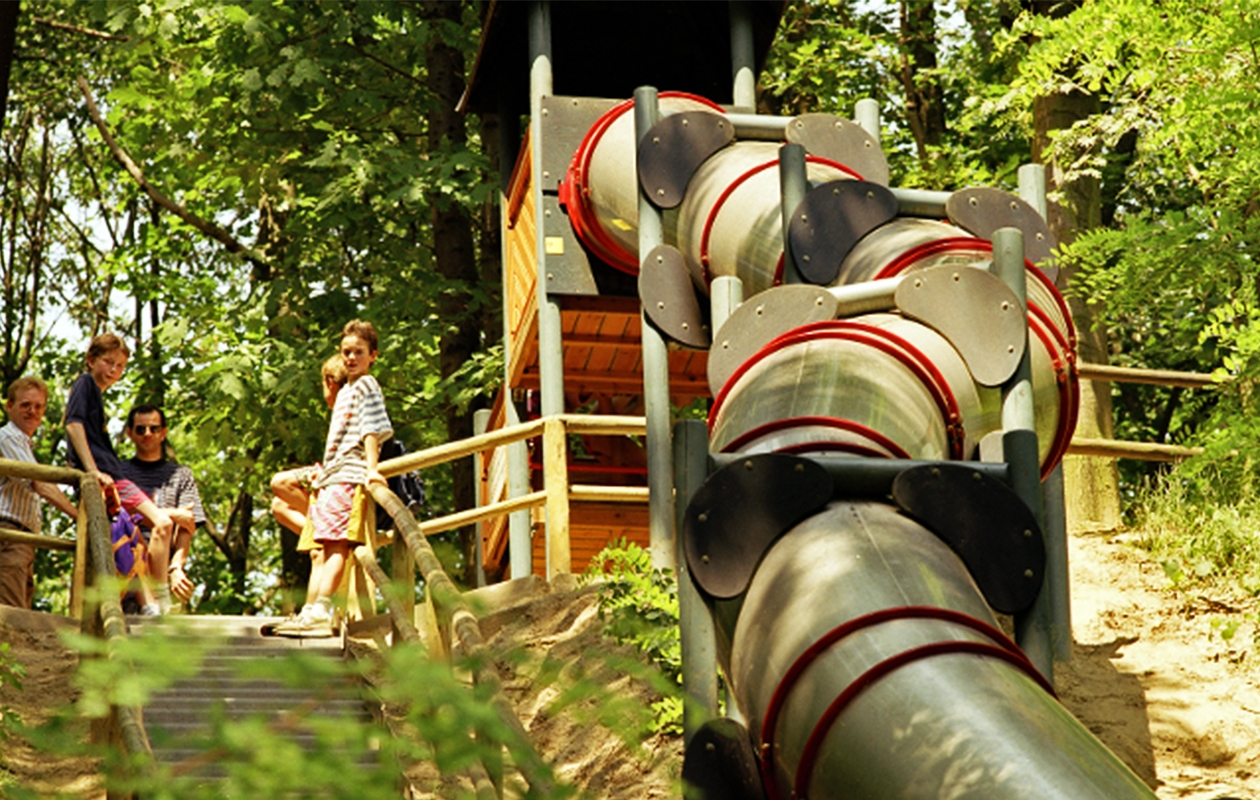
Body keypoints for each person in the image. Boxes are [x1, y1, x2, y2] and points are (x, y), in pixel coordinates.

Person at [275, 321, 391, 638]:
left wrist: (371, 468)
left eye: (359, 352)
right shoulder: (347, 390)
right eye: (346, 352)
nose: (351, 358)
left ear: (373, 356)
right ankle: (312, 610)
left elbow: (371, 430)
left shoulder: (367, 385)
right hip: (332, 475)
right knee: (324, 546)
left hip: (350, 474)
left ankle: (321, 608)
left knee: (337, 545)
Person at [64, 333, 175, 615]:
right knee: (161, 523)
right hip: (107, 475)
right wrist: (92, 471)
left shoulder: (96, 394)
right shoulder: (85, 383)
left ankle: (149, 603)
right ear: (91, 361)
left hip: (110, 475)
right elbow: (74, 426)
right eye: (108, 362)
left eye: (121, 365)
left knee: (130, 535)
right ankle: (160, 598)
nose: (114, 370)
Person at [270, 354, 348, 612]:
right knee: (280, 507)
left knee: (280, 483)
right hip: (329, 478)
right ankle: (310, 611)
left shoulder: (349, 408)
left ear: (330, 382)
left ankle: (313, 611)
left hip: (341, 482)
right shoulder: (340, 412)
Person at [0, 377, 79, 609]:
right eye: (25, 405)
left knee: (20, 613)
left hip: (22, 540)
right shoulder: (8, 437)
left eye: (38, 406)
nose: (32, 411)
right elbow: (39, 483)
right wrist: (77, 514)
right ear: (9, 406)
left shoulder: (25, 444)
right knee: (10, 615)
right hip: (9, 535)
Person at [119, 404, 204, 606]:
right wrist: (173, 513)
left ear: (163, 433)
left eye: (154, 428)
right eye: (140, 429)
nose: (147, 434)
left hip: (165, 571)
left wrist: (176, 567)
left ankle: (162, 600)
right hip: (126, 562)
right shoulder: (119, 472)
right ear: (130, 434)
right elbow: (117, 515)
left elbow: (188, 525)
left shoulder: (181, 475)